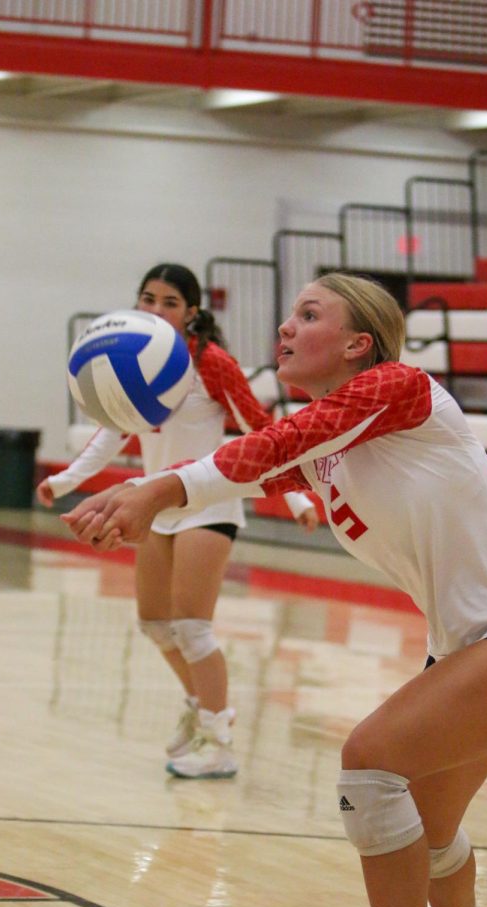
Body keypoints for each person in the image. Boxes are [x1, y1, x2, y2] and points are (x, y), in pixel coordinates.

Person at [61, 272, 487, 907]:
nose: (285, 327)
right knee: (431, 827)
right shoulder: (329, 447)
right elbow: (249, 466)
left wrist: (163, 484)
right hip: (474, 643)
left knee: (371, 765)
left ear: (357, 344)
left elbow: (264, 447)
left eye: (309, 315)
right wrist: (135, 495)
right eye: (289, 314)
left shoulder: (401, 388)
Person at [38, 262, 318, 779]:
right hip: (154, 505)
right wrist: (68, 480)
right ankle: (204, 707)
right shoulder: (132, 362)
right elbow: (112, 432)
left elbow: (262, 429)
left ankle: (220, 740)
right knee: (153, 624)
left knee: (191, 627)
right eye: (148, 299)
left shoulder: (211, 363)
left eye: (169, 302)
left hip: (208, 504)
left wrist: (299, 500)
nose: (156, 310)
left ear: (191, 312)